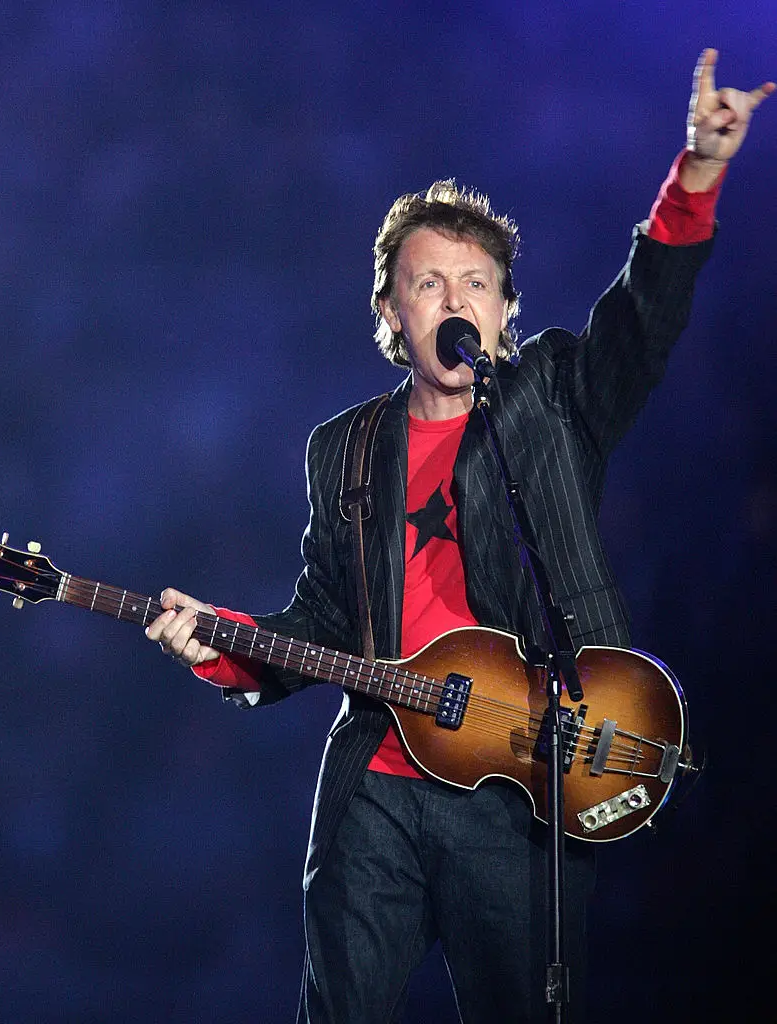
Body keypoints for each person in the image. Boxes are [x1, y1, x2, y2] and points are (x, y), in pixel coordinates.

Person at [146, 51, 772, 1023]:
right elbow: (316, 619)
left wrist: (695, 172)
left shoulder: (553, 400)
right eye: (426, 283)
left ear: (504, 309)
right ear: (392, 313)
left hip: (525, 779)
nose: (452, 298)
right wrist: (216, 644)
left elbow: (642, 320)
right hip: (378, 787)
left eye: (474, 281)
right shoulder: (343, 449)